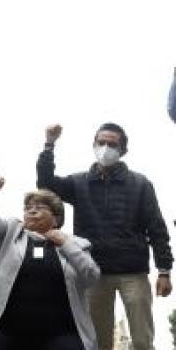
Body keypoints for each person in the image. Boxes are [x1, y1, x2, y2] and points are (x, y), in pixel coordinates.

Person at [36, 123, 172, 350]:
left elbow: (156, 228)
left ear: (123, 150)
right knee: (98, 342)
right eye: (101, 142)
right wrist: (49, 144)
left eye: (112, 144)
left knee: (141, 340)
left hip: (133, 272)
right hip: (93, 272)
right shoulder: (78, 183)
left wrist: (164, 270)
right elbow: (46, 183)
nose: (106, 148)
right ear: (94, 145)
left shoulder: (140, 184)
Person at [0, 176, 100, 350]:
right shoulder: (10, 234)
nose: (31, 211)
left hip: (61, 331)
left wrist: (66, 244)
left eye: (40, 207)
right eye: (28, 208)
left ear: (56, 218)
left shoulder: (78, 244)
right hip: (9, 329)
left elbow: (91, 277)